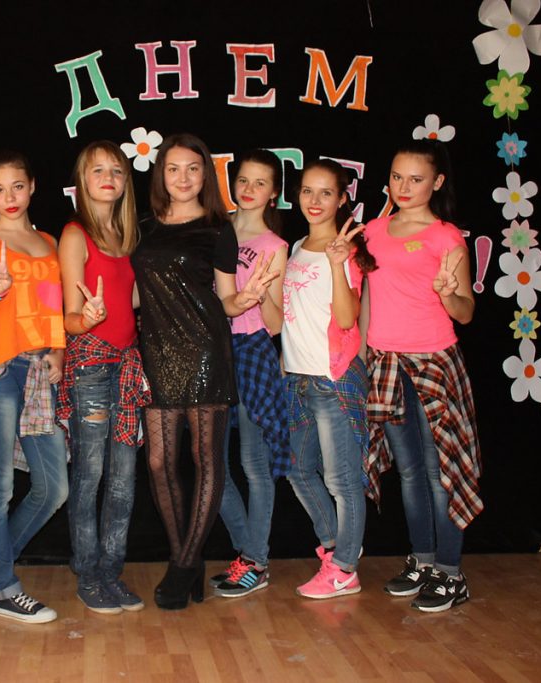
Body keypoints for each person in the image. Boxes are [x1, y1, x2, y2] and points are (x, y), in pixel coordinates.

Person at [131, 133, 271, 610]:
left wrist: (245, 299)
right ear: (161, 174)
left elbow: (227, 299)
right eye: (173, 168)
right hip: (157, 353)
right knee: (158, 462)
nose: (183, 177)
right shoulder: (144, 226)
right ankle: (185, 559)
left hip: (206, 350)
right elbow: (136, 292)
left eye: (193, 168)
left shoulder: (218, 229)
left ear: (205, 175)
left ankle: (184, 563)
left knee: (207, 459)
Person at [363, 138, 480, 612]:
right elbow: (367, 300)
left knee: (439, 472)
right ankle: (424, 560)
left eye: (415, 179)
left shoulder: (446, 237)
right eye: (397, 177)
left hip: (433, 363)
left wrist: (449, 293)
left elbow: (465, 311)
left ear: (437, 182)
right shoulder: (372, 231)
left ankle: (451, 573)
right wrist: (363, 355)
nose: (404, 186)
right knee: (409, 471)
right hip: (386, 363)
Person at [0, 150, 68, 623]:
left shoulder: (49, 242)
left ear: (32, 186)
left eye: (17, 186)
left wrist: (58, 351)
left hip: (40, 373)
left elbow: (52, 309)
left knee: (54, 488)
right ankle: (4, 588)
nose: (10, 197)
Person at [56, 141, 151, 614]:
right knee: (90, 474)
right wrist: (89, 317)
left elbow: (129, 301)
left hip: (128, 365)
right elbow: (70, 319)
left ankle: (111, 572)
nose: (108, 178)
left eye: (116, 170)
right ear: (82, 180)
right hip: (91, 364)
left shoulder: (127, 235)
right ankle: (88, 572)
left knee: (124, 479)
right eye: (98, 170)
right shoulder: (76, 235)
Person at [282, 158, 374, 600]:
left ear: (341, 199)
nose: (314, 201)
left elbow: (346, 317)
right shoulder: (296, 246)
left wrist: (337, 265)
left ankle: (344, 569)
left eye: (325, 193)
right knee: (298, 471)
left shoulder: (347, 251)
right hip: (297, 379)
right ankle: (337, 549)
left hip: (333, 380)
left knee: (342, 481)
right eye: (307, 191)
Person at [210, 149, 289, 599]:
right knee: (212, 467)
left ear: (273, 192)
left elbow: (276, 324)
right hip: (213, 353)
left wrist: (260, 294)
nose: (249, 189)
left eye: (261, 183)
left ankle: (254, 561)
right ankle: (249, 555)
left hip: (253, 351)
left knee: (254, 466)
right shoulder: (213, 230)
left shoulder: (275, 246)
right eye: (243, 180)